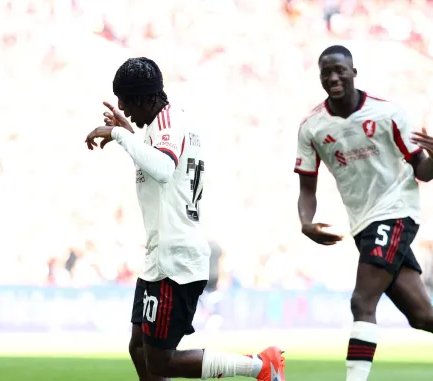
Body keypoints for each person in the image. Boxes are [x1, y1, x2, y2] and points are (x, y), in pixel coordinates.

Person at [293, 45, 433, 381]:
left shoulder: (387, 115)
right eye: (325, 72)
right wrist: (305, 222)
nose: (333, 77)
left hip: (396, 211)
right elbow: (306, 188)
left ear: (354, 72)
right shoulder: (312, 128)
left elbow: (423, 171)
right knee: (423, 315)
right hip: (363, 223)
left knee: (362, 302)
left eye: (339, 70)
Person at [85, 57, 285, 381]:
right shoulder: (162, 125)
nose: (123, 107)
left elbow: (163, 168)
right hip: (160, 257)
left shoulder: (169, 123)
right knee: (138, 350)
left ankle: (261, 366)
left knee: (160, 362)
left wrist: (121, 137)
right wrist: (130, 135)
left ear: (149, 98)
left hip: (174, 261)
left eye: (128, 101)